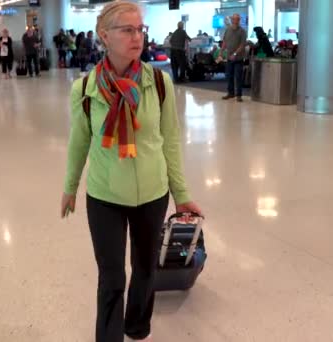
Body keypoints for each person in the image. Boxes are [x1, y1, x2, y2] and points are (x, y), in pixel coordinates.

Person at [60, 1, 201, 341]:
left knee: (144, 269)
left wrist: (181, 195)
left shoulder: (159, 82)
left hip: (152, 193)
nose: (137, 36)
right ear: (104, 36)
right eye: (127, 30)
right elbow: (79, 143)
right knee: (111, 277)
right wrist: (70, 187)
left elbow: (170, 142)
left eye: (140, 29)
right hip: (105, 194)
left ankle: (138, 326)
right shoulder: (85, 89)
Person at [220, 14, 247, 102]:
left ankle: (238, 95)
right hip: (229, 58)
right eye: (235, 19)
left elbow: (242, 45)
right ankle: (230, 93)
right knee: (229, 76)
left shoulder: (242, 31)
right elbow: (225, 41)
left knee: (238, 77)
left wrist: (235, 54)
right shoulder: (227, 30)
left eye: (238, 19)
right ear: (232, 20)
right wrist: (221, 51)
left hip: (238, 58)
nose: (236, 21)